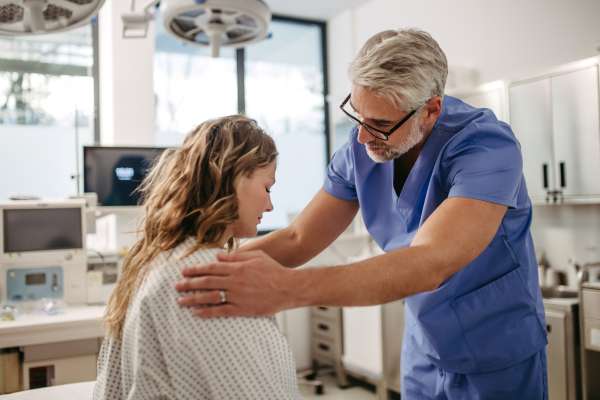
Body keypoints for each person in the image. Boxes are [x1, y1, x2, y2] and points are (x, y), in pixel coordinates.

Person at [175, 29, 548, 399]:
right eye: (358, 115)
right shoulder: (359, 150)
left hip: (499, 347)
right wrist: (198, 269)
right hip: (424, 346)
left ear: (431, 110)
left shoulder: (486, 147)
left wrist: (286, 289)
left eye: (381, 125)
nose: (362, 138)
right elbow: (298, 238)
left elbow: (432, 260)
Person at [93, 115, 303, 400]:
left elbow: (109, 389)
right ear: (234, 178)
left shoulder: (150, 259)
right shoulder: (210, 280)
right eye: (267, 187)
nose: (269, 204)